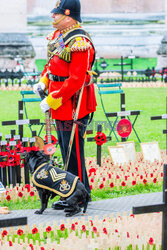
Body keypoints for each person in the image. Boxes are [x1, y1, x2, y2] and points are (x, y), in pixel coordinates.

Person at [33, 0, 97, 208]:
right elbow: (52, 64)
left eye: (57, 13)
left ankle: (78, 196)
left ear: (68, 17)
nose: (53, 16)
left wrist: (52, 99)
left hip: (73, 105)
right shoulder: (60, 37)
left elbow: (76, 80)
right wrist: (43, 81)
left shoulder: (79, 41)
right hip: (61, 104)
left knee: (74, 154)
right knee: (65, 150)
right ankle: (72, 192)